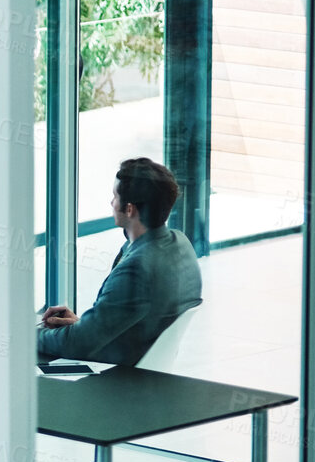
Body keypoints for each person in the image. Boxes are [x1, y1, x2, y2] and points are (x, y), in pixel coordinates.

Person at [39, 157, 203, 366]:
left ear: (129, 209)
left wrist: (29, 336)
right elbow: (137, 318)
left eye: (115, 196)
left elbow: (79, 345)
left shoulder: (137, 267)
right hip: (146, 367)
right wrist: (83, 326)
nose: (111, 202)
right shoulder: (180, 244)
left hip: (118, 376)